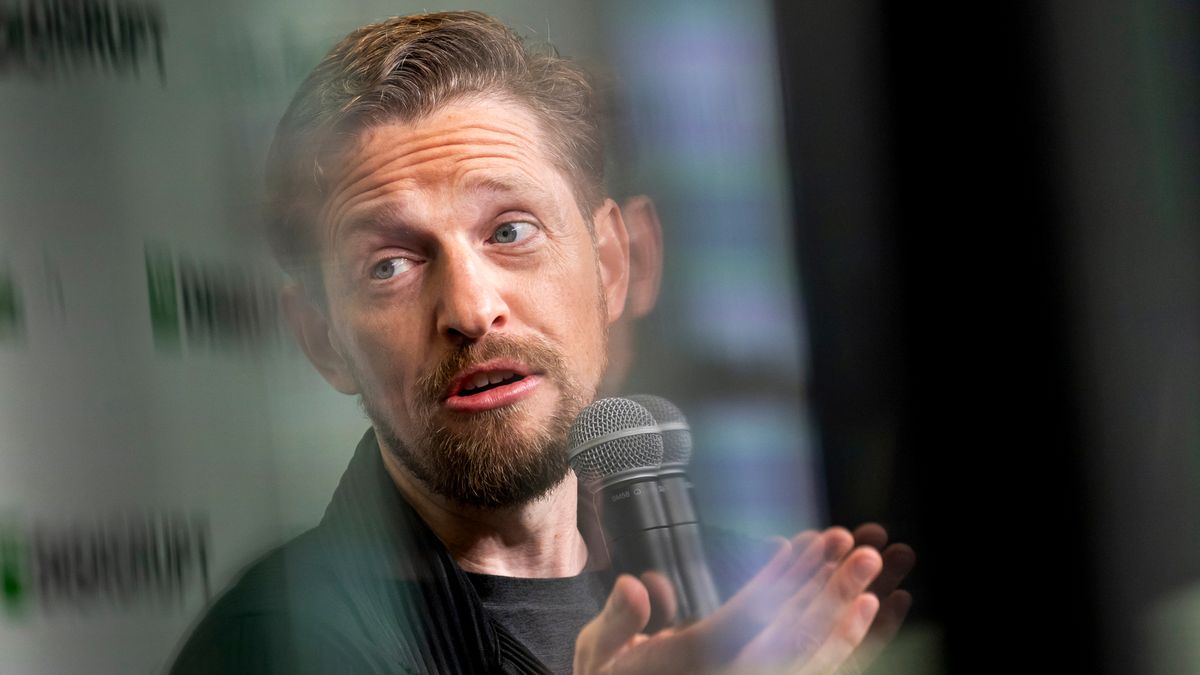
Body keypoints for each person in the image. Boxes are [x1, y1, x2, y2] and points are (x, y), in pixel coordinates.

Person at [170, 11, 913, 675]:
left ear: (615, 266)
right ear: (322, 340)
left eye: (511, 230)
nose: (470, 308)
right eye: (390, 265)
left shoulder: (751, 588)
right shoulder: (270, 645)